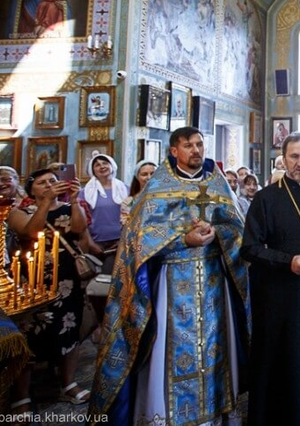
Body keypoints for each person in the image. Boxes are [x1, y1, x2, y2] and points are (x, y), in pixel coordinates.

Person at [90, 127, 250, 424]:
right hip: (171, 283)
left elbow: (236, 228)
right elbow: (140, 239)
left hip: (215, 281)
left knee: (216, 349)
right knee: (168, 348)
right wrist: (182, 240)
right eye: (188, 145)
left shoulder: (217, 181)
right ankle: (165, 414)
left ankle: (216, 415)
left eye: (200, 144)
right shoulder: (158, 186)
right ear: (174, 151)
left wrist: (219, 234)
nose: (196, 150)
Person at [240, 133, 300, 425]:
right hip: (278, 295)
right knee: (281, 358)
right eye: (294, 156)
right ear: (283, 158)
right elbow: (250, 248)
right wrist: (286, 262)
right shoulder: (266, 198)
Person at [7, 169, 89, 413]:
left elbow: (80, 228)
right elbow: (30, 232)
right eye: (42, 183)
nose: (49, 185)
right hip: (33, 281)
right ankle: (22, 396)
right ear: (31, 190)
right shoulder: (19, 212)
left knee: (69, 330)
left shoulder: (67, 207)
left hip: (66, 280)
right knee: (29, 334)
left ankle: (68, 383)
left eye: (53, 181)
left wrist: (74, 201)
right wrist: (43, 204)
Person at [119, 160, 157, 227]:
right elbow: (126, 223)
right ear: (137, 177)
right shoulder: (129, 202)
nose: (149, 177)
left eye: (153, 174)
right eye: (144, 174)